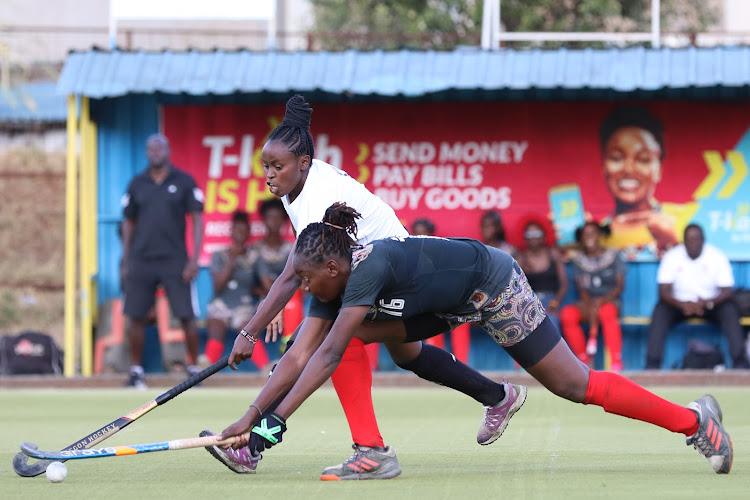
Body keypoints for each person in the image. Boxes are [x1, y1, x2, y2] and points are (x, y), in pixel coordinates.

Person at [215, 203, 734, 477]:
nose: (303, 291)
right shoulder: (330, 282)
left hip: (491, 285)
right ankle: (370, 453)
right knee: (342, 342)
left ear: (333, 265)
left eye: (306, 281)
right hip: (438, 306)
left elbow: (321, 356)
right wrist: (249, 420)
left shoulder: (365, 272)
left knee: (574, 384)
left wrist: (266, 425)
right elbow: (300, 354)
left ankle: (694, 422)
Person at [202, 95, 509, 481]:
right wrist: (269, 312)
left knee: (320, 346)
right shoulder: (294, 185)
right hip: (359, 270)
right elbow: (301, 263)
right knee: (406, 355)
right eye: (265, 167)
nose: (268, 175)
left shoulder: (317, 196)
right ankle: (498, 397)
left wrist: (249, 331)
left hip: (389, 275)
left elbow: (293, 274)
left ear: (302, 163)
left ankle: (263, 445)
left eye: (275, 167)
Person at [120, 133, 204, 389]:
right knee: (135, 316)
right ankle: (136, 372)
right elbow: (127, 221)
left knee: (186, 315)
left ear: (168, 151)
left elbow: (198, 219)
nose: (155, 152)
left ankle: (193, 369)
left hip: (175, 259)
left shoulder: (184, 181)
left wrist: (194, 259)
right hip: (141, 259)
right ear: (147, 153)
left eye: (159, 148)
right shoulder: (137, 184)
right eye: (150, 148)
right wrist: (126, 259)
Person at [645, 223, 750, 370]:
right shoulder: (672, 256)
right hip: (679, 305)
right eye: (689, 239)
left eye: (697, 239)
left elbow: (727, 290)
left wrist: (707, 303)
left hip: (710, 304)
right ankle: (652, 365)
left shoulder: (716, 256)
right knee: (660, 311)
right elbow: (663, 291)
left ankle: (740, 363)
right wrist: (683, 304)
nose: (693, 243)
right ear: (684, 241)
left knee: (730, 310)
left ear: (703, 240)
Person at [599, 106, 694, 260]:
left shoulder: (686, 217)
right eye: (617, 157)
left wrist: (671, 239)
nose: (628, 169)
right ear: (603, 165)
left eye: (643, 159)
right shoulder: (597, 231)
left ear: (660, 168)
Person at [200, 211, 268, 369]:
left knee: (247, 329)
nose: (240, 234)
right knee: (216, 327)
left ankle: (265, 369)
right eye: (237, 230)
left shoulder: (254, 256)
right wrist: (231, 260)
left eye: (244, 231)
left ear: (248, 233)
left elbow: (267, 285)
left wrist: (258, 290)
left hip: (244, 307)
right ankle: (205, 370)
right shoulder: (219, 255)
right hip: (220, 305)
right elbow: (218, 286)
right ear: (231, 231)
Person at [560, 222, 625, 372]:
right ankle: (583, 362)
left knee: (607, 312)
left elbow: (620, 287)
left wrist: (602, 301)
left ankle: (616, 362)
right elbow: (581, 288)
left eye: (593, 233)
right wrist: (589, 305)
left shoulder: (614, 256)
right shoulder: (578, 260)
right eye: (585, 234)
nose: (589, 237)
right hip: (587, 302)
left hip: (610, 301)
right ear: (581, 238)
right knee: (567, 315)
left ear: (600, 235)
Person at [411, 217, 471, 364]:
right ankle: (436, 365)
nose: (421, 238)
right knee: (429, 321)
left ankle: (462, 364)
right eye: (416, 234)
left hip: (453, 299)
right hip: (430, 303)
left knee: (462, 319)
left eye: (424, 234)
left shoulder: (443, 249)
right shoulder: (410, 255)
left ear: (432, 234)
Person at [515, 216, 568, 332]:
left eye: (536, 233)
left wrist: (555, 303)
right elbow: (515, 287)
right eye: (529, 235)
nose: (533, 237)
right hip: (530, 301)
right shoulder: (521, 258)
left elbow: (564, 284)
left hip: (552, 299)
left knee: (552, 320)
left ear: (544, 235)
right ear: (524, 237)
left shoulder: (553, 253)